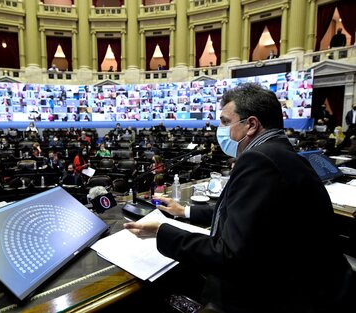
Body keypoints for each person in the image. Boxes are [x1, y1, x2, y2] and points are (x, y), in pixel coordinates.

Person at [124, 83, 354, 313]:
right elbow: (249, 216)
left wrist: (161, 230)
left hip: (290, 298)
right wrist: (185, 211)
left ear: (251, 125)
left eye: (225, 122)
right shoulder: (281, 153)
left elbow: (230, 256)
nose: (220, 129)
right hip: (317, 286)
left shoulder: (259, 160)